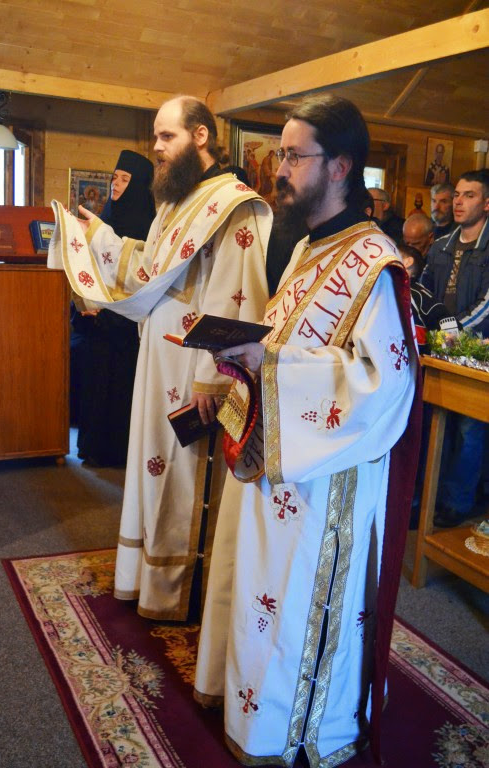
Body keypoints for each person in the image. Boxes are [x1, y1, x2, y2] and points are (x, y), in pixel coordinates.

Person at [194, 94, 421, 768]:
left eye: (294, 156)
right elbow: (280, 341)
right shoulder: (305, 249)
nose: (280, 169)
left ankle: (296, 729)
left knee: (295, 605)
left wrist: (273, 364)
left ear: (341, 167)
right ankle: (250, 707)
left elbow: (384, 384)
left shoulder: (373, 264)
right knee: (258, 591)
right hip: (278, 455)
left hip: (325, 479)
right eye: (281, 155)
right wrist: (238, 369)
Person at [49, 96, 272, 620]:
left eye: (167, 136)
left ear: (200, 136)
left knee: (184, 471)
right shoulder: (174, 203)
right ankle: (150, 579)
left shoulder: (234, 204)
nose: (157, 147)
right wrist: (98, 237)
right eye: (156, 136)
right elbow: (148, 268)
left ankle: (183, 591)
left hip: (195, 364)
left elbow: (236, 295)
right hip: (157, 353)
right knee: (153, 464)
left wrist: (213, 377)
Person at [73, 149, 156, 466]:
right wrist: (83, 303)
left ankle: (118, 452)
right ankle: (92, 448)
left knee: (120, 387)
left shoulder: (148, 228)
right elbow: (87, 267)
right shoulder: (104, 219)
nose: (116, 184)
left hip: (125, 329)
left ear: (138, 185)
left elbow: (141, 279)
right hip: (97, 324)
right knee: (95, 384)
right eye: (114, 178)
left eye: (124, 179)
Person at [421, 169, 489, 527]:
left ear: (487, 203)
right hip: (439, 349)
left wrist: (450, 330)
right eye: (457, 195)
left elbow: (487, 306)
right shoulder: (441, 245)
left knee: (469, 429)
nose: (459, 202)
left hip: (476, 352)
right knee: (436, 424)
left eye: (469, 195)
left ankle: (457, 502)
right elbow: (424, 291)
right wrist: (431, 328)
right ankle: (427, 495)